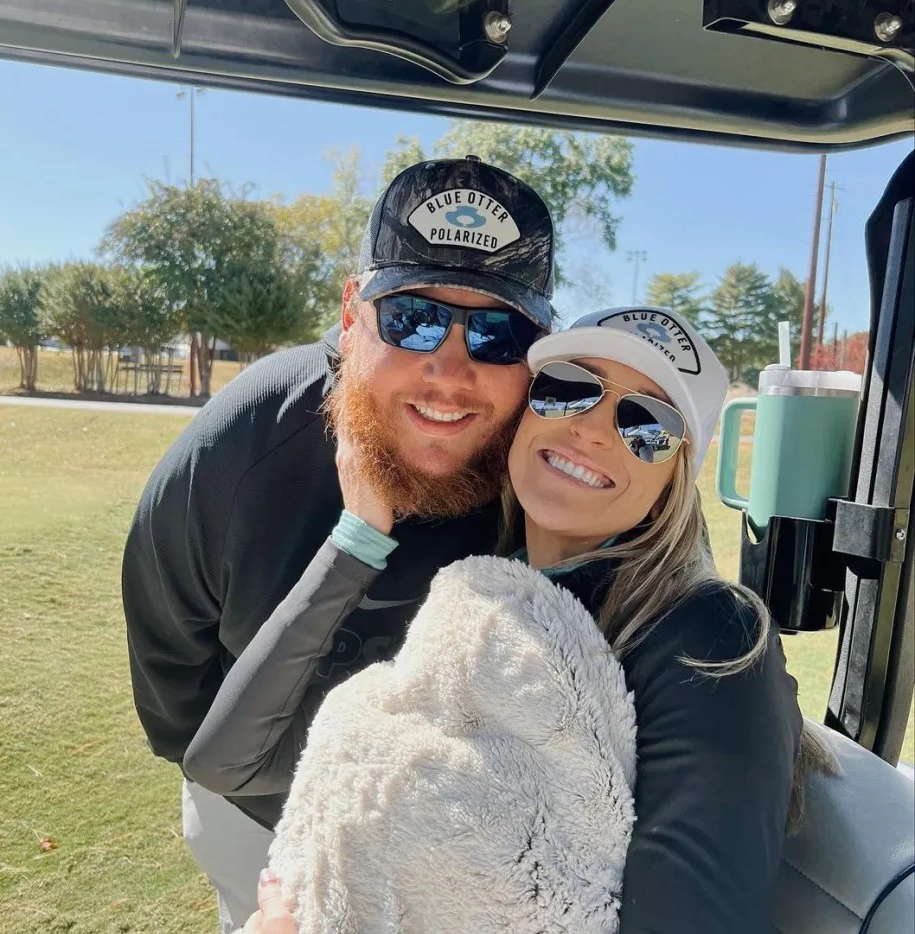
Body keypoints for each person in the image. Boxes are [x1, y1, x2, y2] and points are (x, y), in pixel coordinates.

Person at [201, 308, 831, 932]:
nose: (593, 430)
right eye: (568, 390)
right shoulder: (480, 588)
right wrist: (359, 539)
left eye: (647, 424)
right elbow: (228, 760)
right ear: (525, 413)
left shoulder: (707, 635)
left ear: (674, 478)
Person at [121, 154, 556, 933]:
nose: (451, 371)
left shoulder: (542, 464)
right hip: (257, 823)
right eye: (414, 318)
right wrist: (332, 814)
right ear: (354, 310)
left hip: (453, 834)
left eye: (496, 333)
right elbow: (176, 707)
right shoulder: (243, 442)